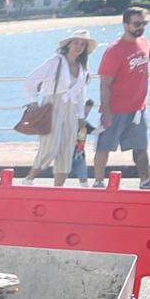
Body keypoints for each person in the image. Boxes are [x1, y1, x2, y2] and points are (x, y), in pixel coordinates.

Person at [94, 7, 150, 190]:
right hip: (116, 108)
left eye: (144, 23)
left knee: (140, 146)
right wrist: (106, 112)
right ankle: (98, 182)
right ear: (126, 24)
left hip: (138, 108)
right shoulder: (114, 50)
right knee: (105, 146)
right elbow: (104, 83)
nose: (141, 27)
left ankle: (146, 180)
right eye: (137, 24)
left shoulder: (143, 41)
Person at [21, 29, 96, 188]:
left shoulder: (82, 68)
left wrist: (82, 117)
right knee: (50, 146)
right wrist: (33, 101)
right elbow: (30, 80)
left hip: (72, 109)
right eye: (76, 42)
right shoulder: (56, 61)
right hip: (53, 105)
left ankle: (58, 187)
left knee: (67, 149)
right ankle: (29, 179)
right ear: (68, 44)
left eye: (82, 44)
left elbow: (82, 94)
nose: (79, 46)